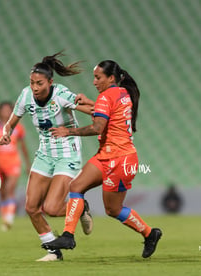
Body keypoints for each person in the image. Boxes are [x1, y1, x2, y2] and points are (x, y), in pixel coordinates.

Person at [43, 60, 162, 258]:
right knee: (76, 187)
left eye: (98, 77)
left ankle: (150, 233)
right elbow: (107, 111)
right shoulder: (122, 93)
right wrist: (90, 102)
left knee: (113, 209)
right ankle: (68, 236)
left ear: (111, 78)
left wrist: (68, 131)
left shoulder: (107, 96)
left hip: (120, 159)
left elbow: (97, 127)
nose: (94, 81)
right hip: (106, 155)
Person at [0, 51, 94, 262]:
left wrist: (97, 107)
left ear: (50, 82)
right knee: (31, 207)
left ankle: (81, 207)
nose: (35, 87)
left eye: (39, 83)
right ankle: (54, 251)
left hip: (67, 151)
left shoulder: (61, 94)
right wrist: (6, 134)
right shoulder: (25, 96)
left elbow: (91, 109)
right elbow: (11, 122)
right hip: (44, 153)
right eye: (32, 82)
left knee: (51, 208)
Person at [0, 101, 31, 231]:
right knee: (1, 192)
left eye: (9, 110)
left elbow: (23, 147)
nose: (6, 112)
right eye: (4, 110)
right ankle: (5, 219)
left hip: (13, 162)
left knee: (9, 189)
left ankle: (9, 219)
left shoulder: (18, 128)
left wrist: (28, 163)